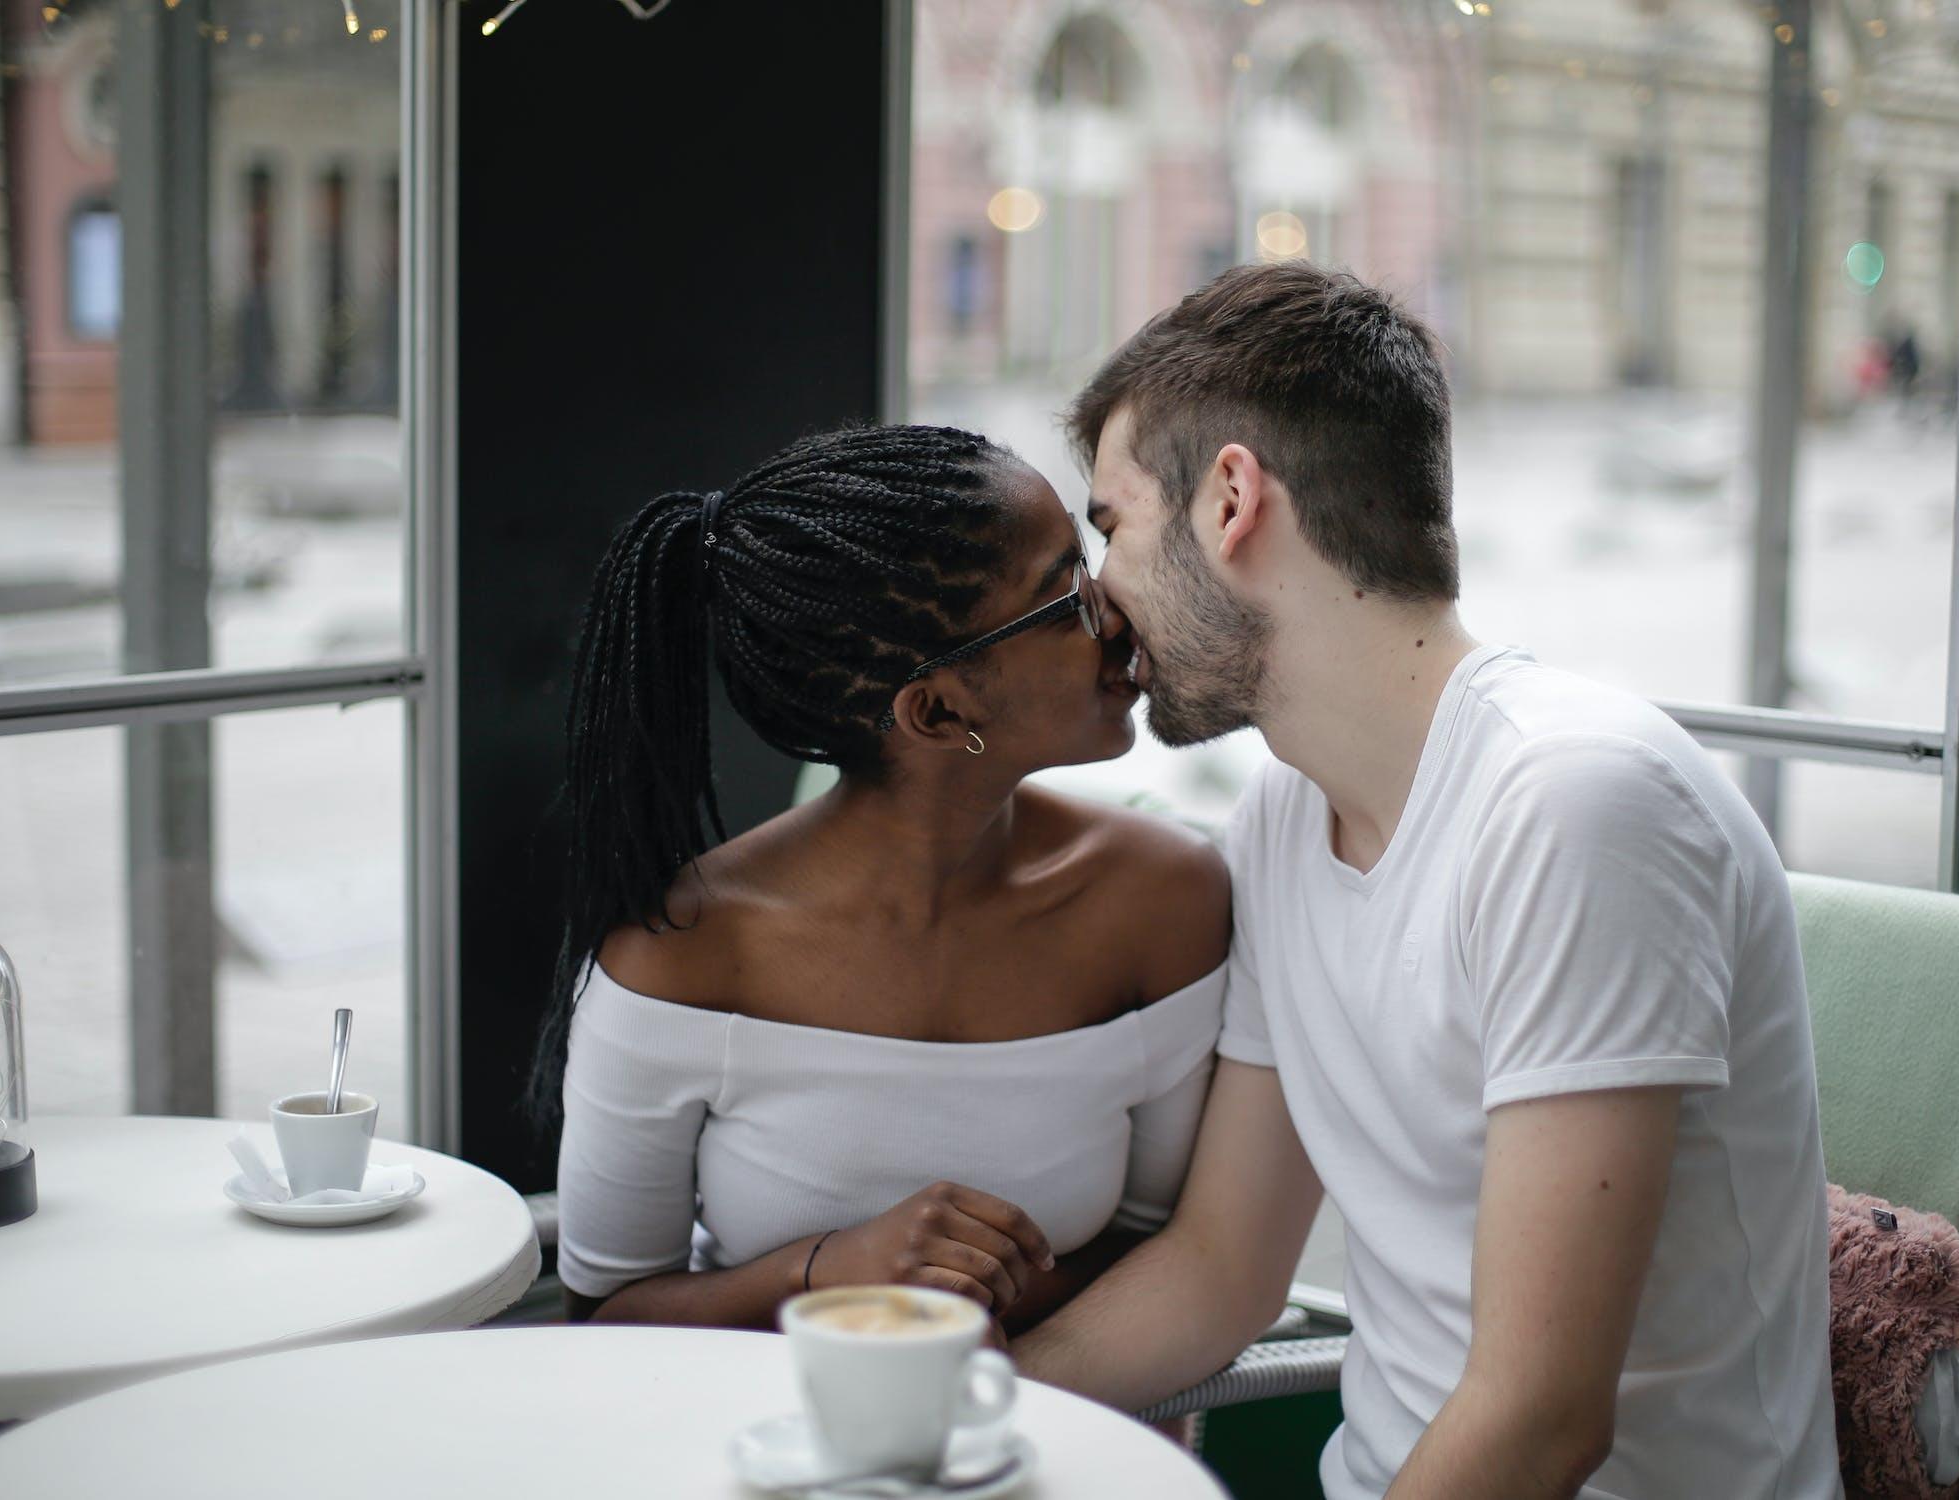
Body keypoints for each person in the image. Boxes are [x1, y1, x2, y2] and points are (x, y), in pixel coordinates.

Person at [1011, 263, 1841, 1500]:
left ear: (1230, 499)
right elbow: (1221, 1271)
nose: (1097, 596)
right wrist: (950, 1406)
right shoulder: (1283, 823)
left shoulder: (1571, 807)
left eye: (1111, 527)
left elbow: (1542, 1419)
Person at [538, 424, 1228, 1339]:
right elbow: (605, 1316)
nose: (1115, 609)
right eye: (1064, 594)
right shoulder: (682, 956)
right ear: (940, 710)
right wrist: (830, 1272)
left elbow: (1165, 1247)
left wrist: (962, 1316)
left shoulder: (1164, 903)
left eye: (1089, 558)